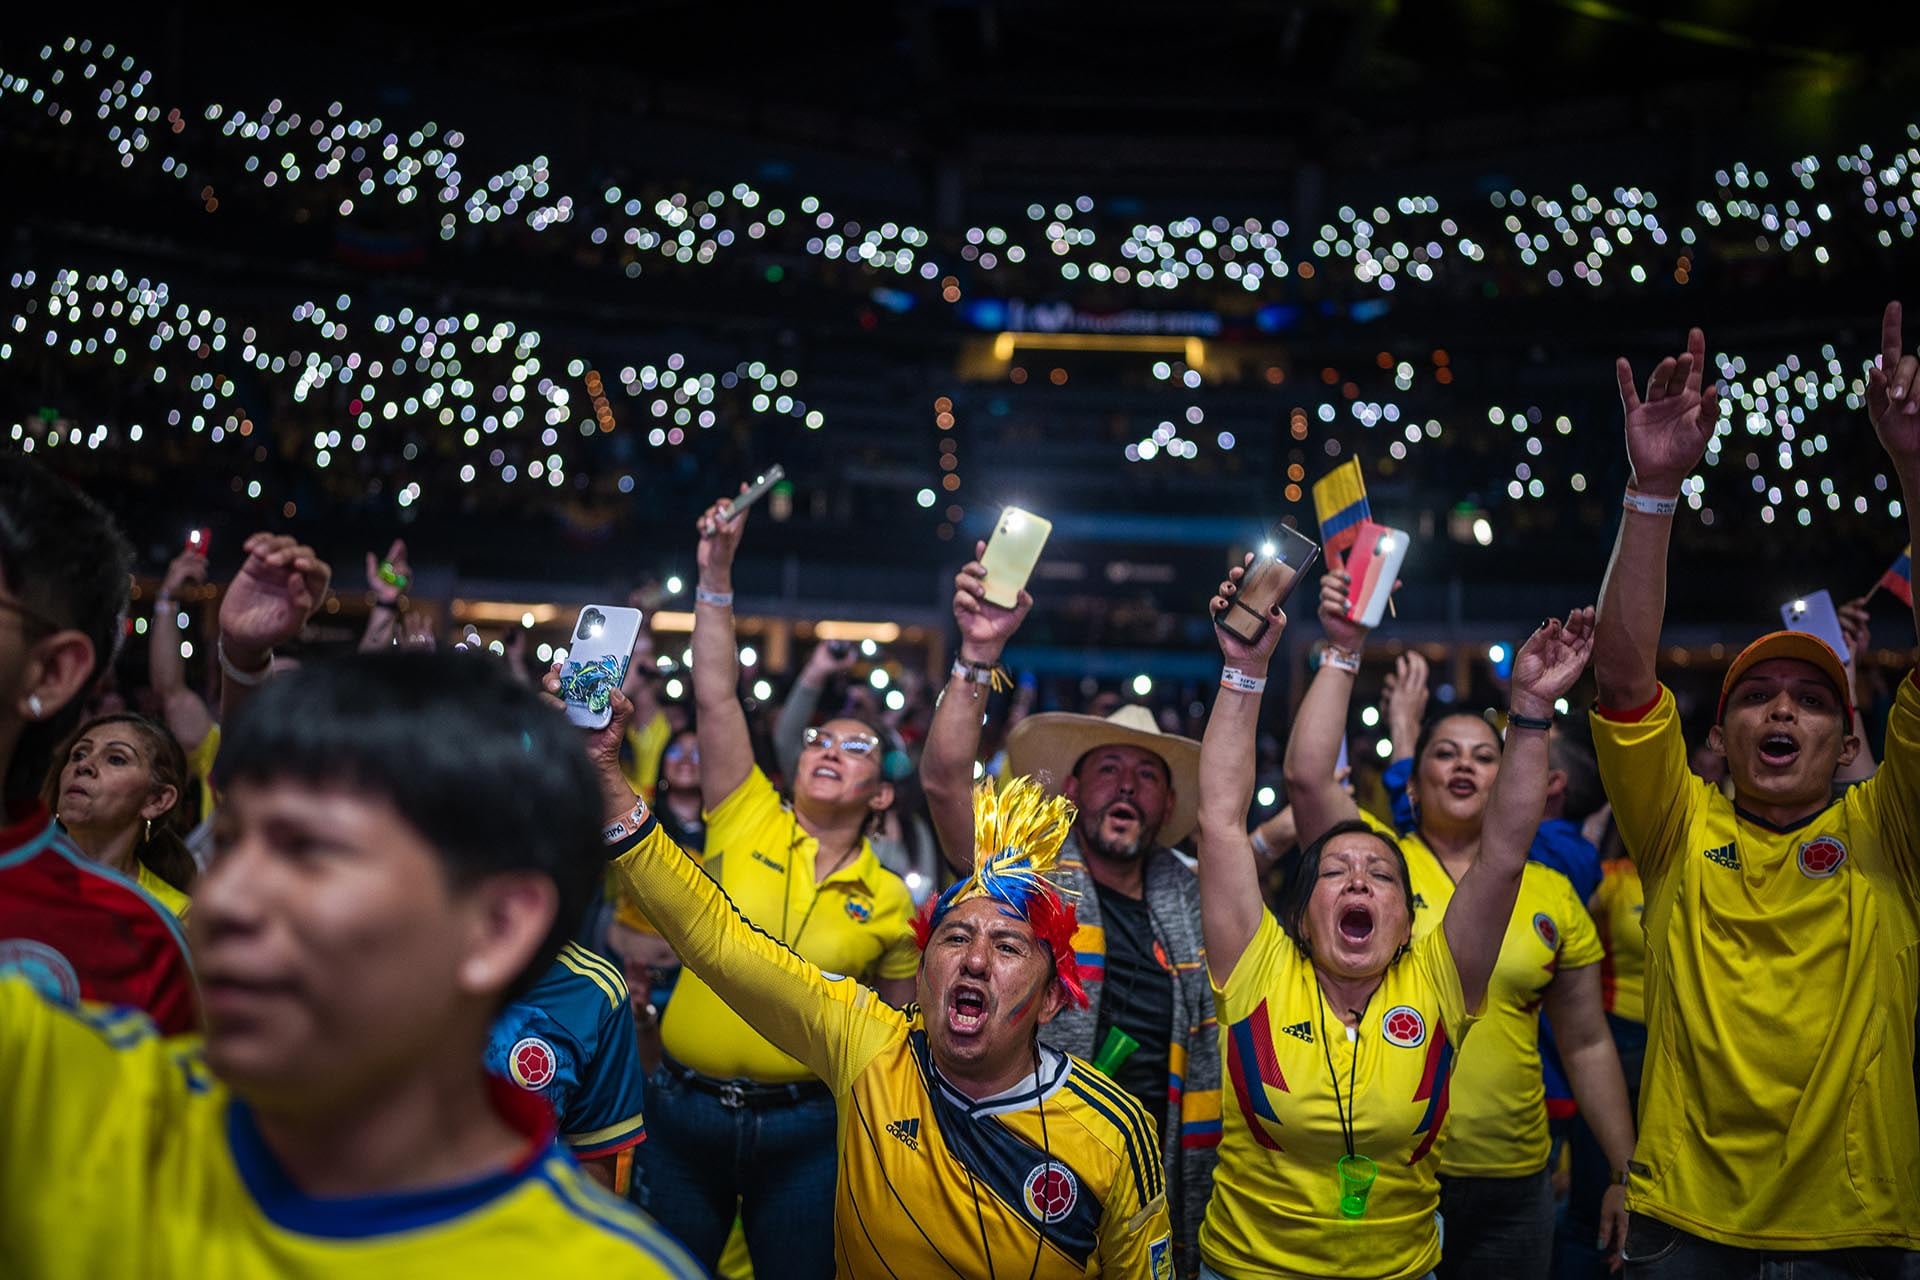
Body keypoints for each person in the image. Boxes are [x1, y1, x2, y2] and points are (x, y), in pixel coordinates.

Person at [1, 650, 701, 1278]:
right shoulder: (80, 1101)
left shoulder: (595, 1266)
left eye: (308, 854)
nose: (225, 903)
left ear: (497, 926)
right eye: (232, 846)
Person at [572, 669, 1172, 1274]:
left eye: (1010, 947)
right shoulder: (869, 1047)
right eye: (955, 936)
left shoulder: (1117, 1133)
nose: (975, 958)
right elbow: (717, 940)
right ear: (923, 971)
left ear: (1049, 1000)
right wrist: (605, 779)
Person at [1590, 308, 1920, 1273]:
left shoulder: (1892, 832)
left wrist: (1912, 467)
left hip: (1858, 1233)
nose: (1784, 712)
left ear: (1851, 734)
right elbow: (1620, 680)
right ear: (1721, 742)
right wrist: (1652, 490)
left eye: (1813, 700)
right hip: (1683, 1228)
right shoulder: (1676, 827)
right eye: (1758, 698)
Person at [1199, 554, 1598, 1280]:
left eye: (1382, 873)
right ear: (1301, 910)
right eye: (1336, 871)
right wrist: (1243, 668)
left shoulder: (1440, 977)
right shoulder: (1257, 963)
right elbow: (1221, 823)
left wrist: (1532, 713)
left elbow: (1504, 856)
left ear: (1409, 918)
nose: (1359, 878)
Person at [1284, 575, 1634, 1277]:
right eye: (1446, 753)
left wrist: (1626, 1171)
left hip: (1514, 1180)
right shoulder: (1372, 874)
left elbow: (1588, 1040)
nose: (1466, 765)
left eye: (1484, 755)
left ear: (1513, 778)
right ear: (1414, 782)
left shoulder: (1550, 892)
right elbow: (1307, 781)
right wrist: (1344, 650)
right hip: (1388, 1169)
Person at [636, 490, 918, 1278]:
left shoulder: (893, 902)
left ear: (883, 792)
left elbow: (893, 1042)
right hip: (683, 1114)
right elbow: (716, 692)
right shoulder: (746, 812)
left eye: (856, 747)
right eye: (820, 738)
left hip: (807, 1132)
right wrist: (716, 572)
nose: (830, 747)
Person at [920, 543, 1220, 1279]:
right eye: (1108, 768)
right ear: (1074, 793)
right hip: (1026, 1147)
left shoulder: (1193, 892)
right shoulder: (1029, 873)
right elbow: (943, 780)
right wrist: (975, 657)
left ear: (1169, 804)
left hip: (1161, 1160)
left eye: (1147, 775)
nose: (1128, 786)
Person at [0, 455, 197, 1035]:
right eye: (83, 755)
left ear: (52, 673)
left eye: (115, 759)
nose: (84, 768)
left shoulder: (142, 944)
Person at [45, 712, 197, 916]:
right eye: (78, 755)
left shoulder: (176, 915)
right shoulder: (13, 873)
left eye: (116, 759)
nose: (83, 766)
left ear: (157, 800)